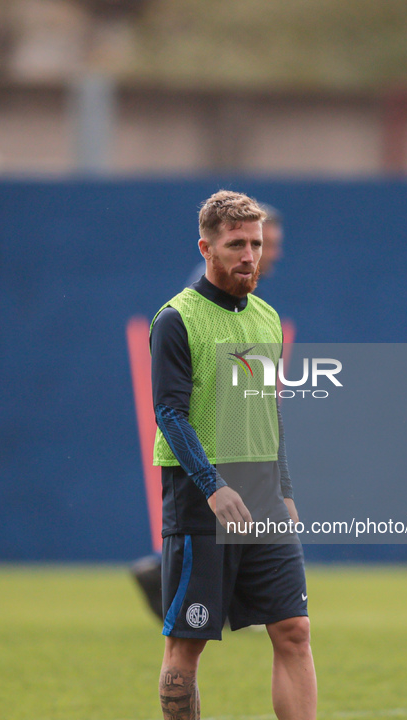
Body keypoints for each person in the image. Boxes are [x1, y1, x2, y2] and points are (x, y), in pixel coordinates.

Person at [149, 189, 368, 720]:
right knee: (187, 642)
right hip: (200, 503)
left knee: (294, 630)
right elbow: (169, 412)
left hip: (265, 503)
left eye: (256, 244)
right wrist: (214, 488)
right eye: (236, 244)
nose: (250, 255)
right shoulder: (177, 318)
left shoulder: (267, 319)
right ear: (207, 247)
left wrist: (287, 489)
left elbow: (267, 414)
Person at [131, 204, 284, 622]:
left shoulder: (254, 310)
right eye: (251, 244)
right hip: (211, 456)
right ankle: (167, 574)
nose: (263, 254)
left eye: (263, 244)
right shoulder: (195, 308)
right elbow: (181, 397)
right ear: (211, 249)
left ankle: (173, 575)